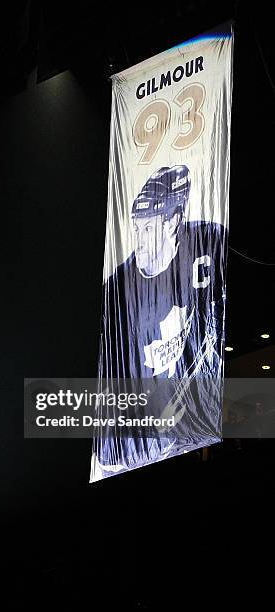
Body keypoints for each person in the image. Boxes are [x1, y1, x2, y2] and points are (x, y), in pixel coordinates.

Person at [92, 165, 227, 479]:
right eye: (136, 228)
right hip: (139, 438)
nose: (138, 240)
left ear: (173, 222)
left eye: (147, 228)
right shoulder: (117, 291)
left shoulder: (206, 241)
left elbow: (213, 326)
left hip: (189, 424)